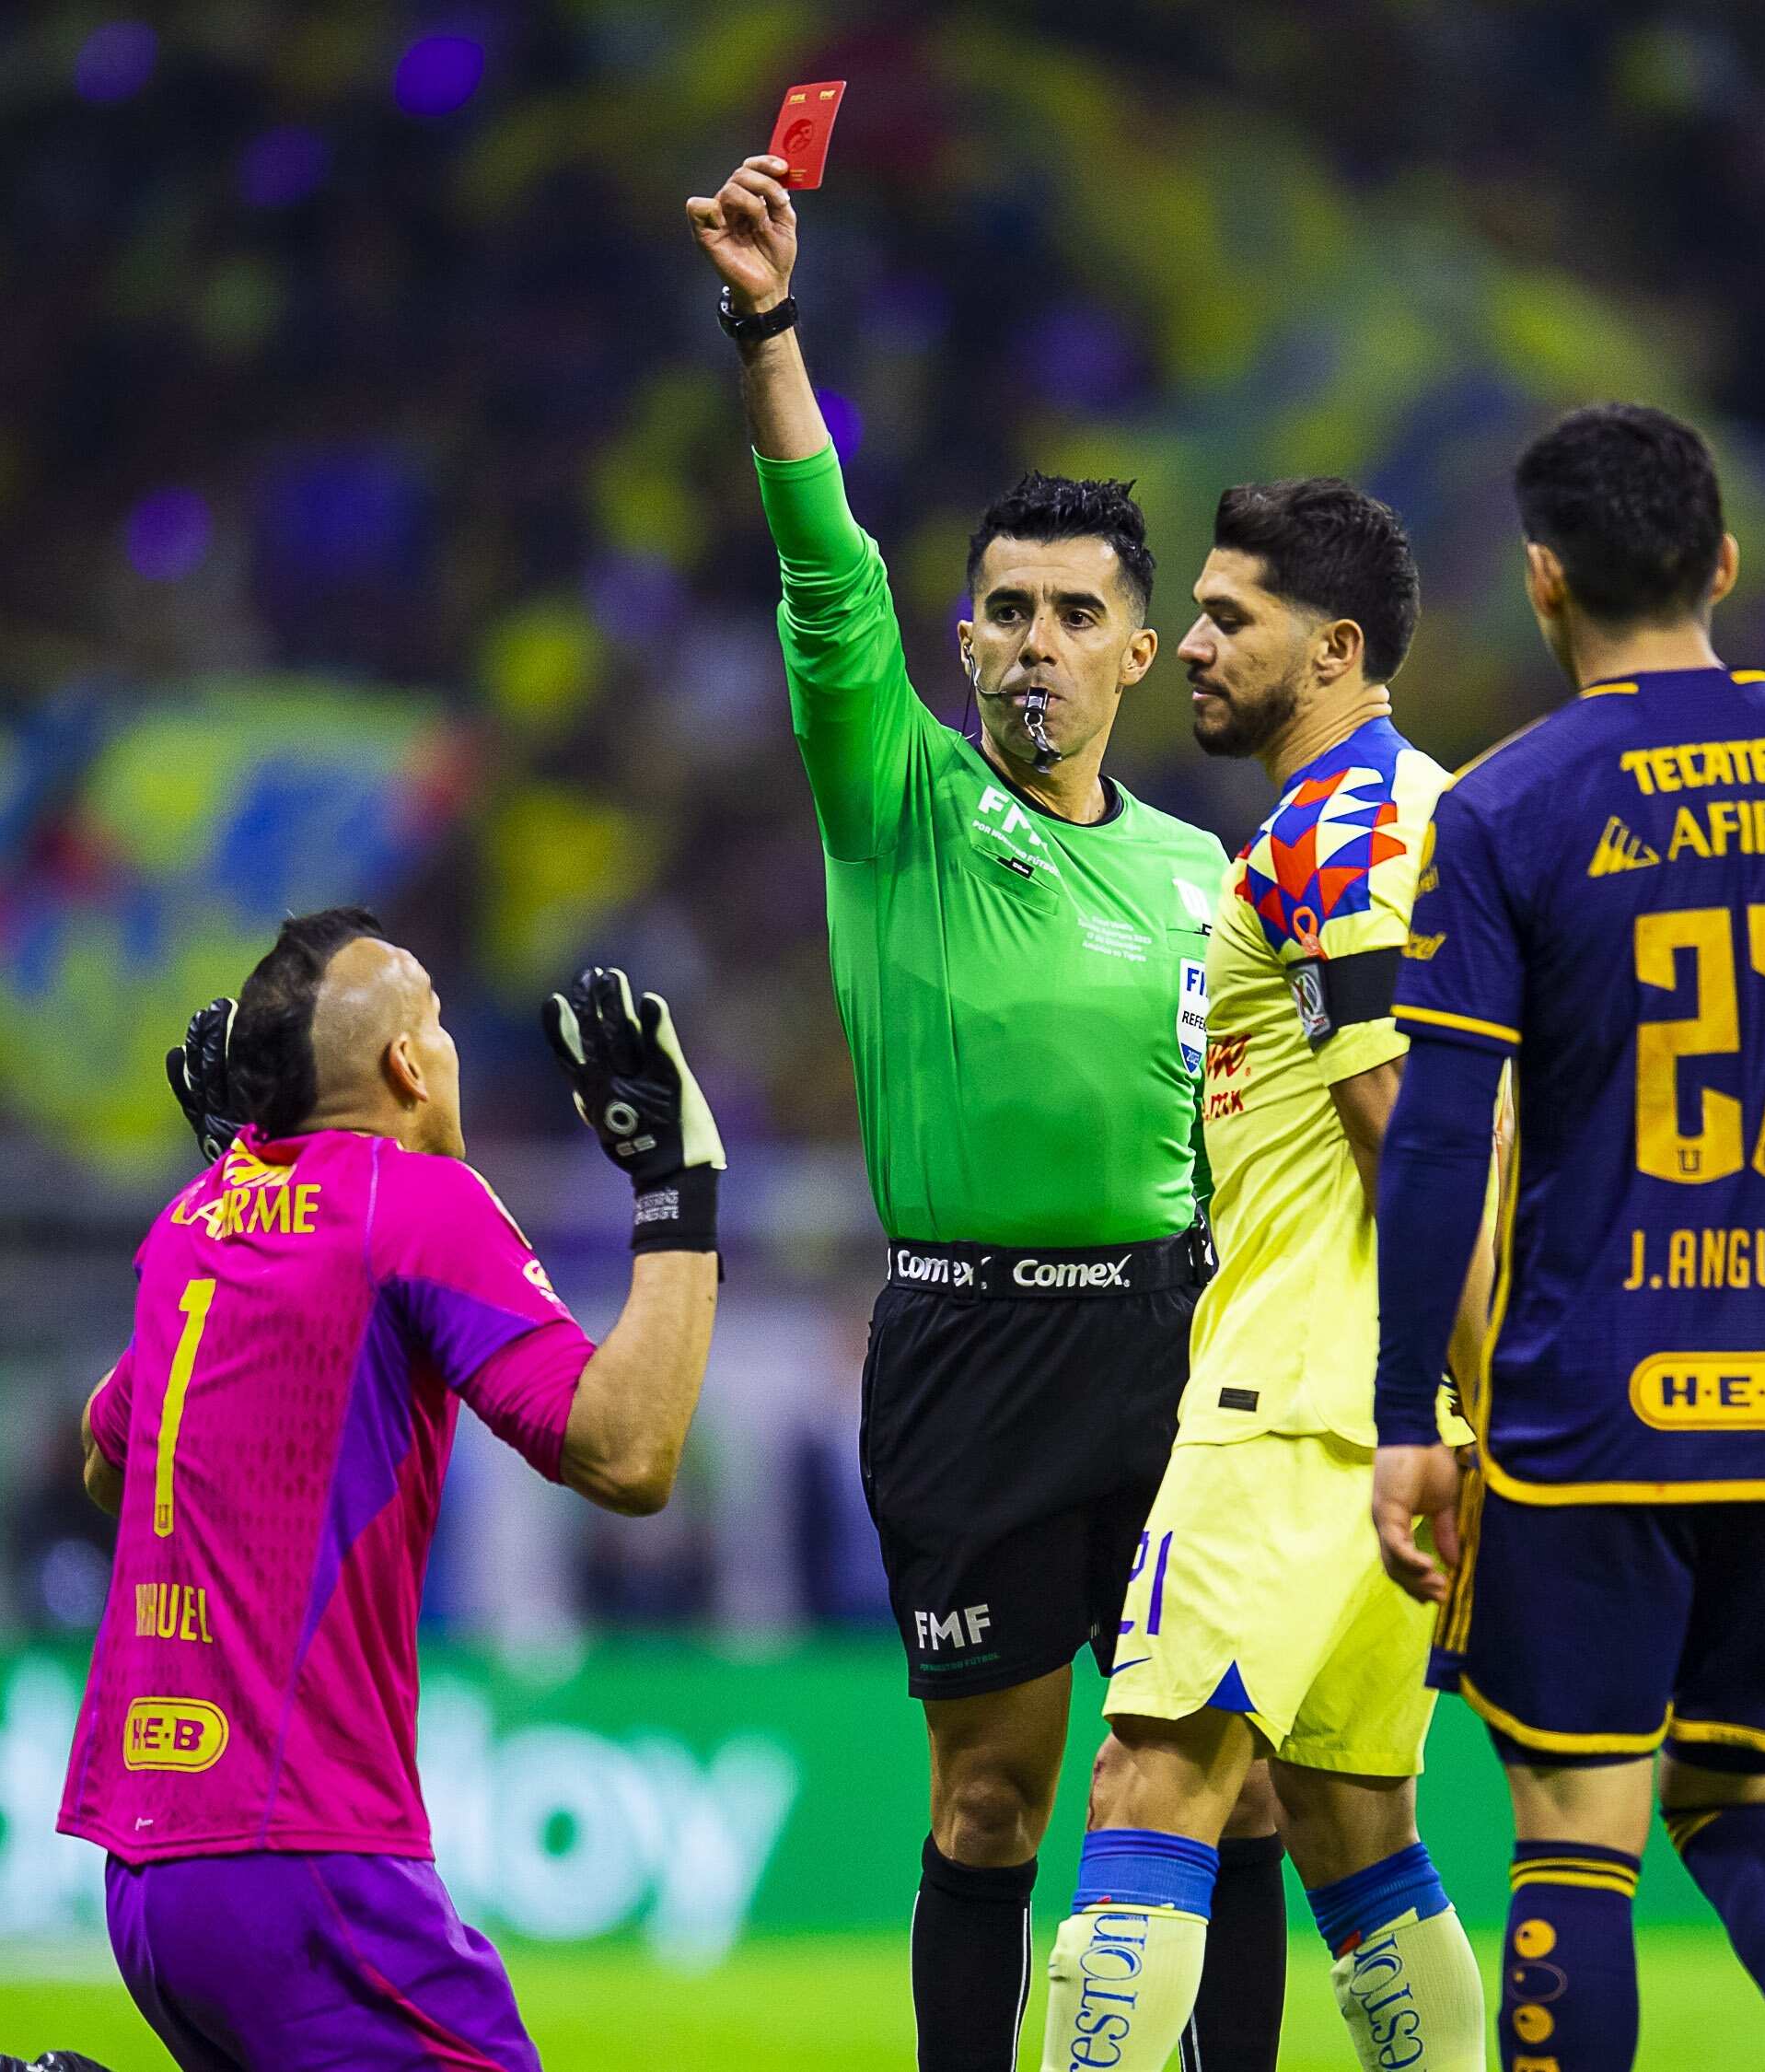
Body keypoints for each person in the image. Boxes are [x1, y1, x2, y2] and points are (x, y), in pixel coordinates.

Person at [687, 156, 1260, 2070]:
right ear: (960, 644)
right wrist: (770, 325)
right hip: (970, 1345)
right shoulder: (906, 807)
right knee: (992, 1804)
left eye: (1069, 611)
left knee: (1221, 1786)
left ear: (1134, 646)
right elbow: (817, 557)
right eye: (999, 608)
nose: (1028, 639)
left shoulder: (1207, 873)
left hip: (1178, 1350)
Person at [1371, 402, 1765, 2072]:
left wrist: (1407, 1410)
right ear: (1721, 561)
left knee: (1581, 1824)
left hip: (1593, 1399)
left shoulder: (1501, 811)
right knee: (1753, 1799)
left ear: (1543, 581)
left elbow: (1433, 1138)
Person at [53, 909, 726, 2072]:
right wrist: (677, 1185)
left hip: (146, 1868)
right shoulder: (414, 1203)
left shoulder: (189, 1226)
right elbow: (626, 1454)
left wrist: (235, 1177)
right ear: (406, 1066)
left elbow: (107, 1458)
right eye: (440, 1021)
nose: (451, 1045)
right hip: (305, 1856)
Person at [1039, 480, 1487, 2072]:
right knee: (1353, 1820)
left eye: (1234, 620)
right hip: (1396, 1414)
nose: (1197, 647)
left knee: (1149, 1784)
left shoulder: (1328, 831)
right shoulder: (1442, 815)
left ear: (1340, 647)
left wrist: (1479, 1411)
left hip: (1290, 1398)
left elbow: (1401, 1134)